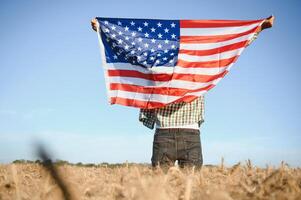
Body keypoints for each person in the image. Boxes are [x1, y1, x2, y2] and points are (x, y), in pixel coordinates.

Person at [91, 16, 274, 169]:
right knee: (191, 189)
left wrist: (103, 30)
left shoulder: (155, 70)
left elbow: (129, 50)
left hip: (163, 135)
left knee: (157, 191)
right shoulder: (198, 68)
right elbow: (232, 44)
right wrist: (259, 28)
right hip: (191, 135)